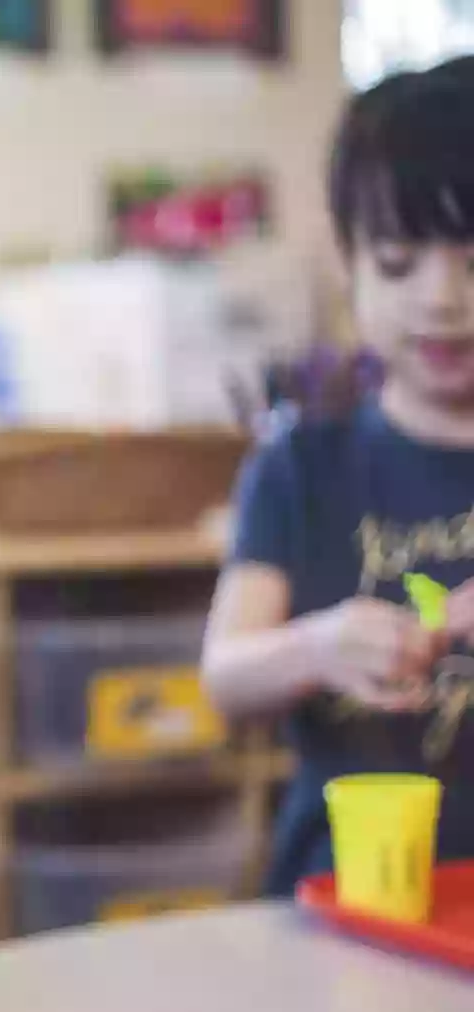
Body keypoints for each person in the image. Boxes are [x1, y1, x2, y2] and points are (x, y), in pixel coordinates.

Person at [203, 55, 474, 898]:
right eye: (398, 262)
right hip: (344, 898)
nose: (441, 299)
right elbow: (226, 675)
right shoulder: (301, 467)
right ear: (350, 262)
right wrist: (318, 645)